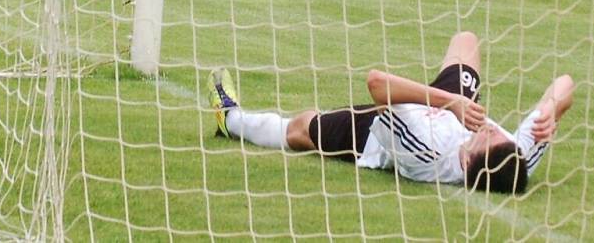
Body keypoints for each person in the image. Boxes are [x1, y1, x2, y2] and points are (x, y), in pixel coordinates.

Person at [208, 31, 574, 194]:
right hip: (450, 109)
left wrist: (449, 103)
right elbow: (566, 83)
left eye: (487, 137)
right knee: (466, 41)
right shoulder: (515, 156)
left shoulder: (425, 151)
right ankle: (448, 98)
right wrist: (550, 108)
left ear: (465, 161)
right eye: (498, 133)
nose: (496, 130)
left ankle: (230, 119)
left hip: (381, 134)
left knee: (303, 129)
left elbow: (377, 84)